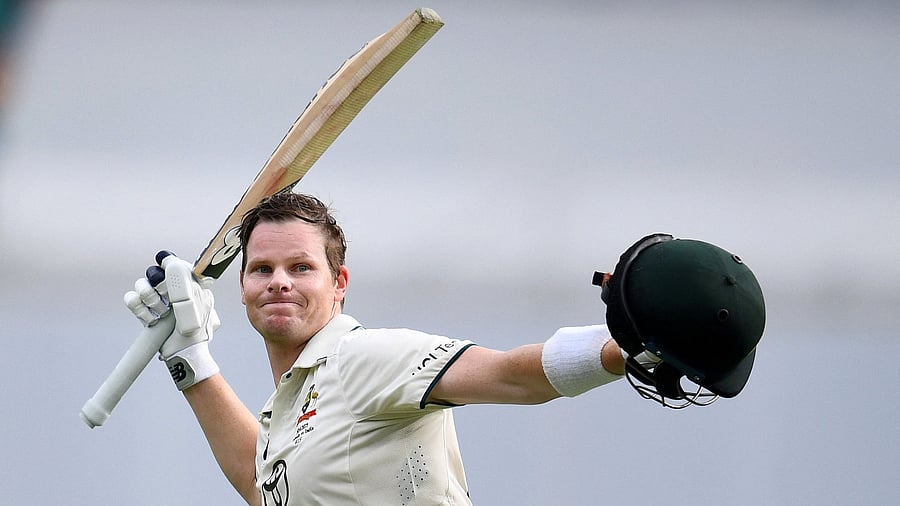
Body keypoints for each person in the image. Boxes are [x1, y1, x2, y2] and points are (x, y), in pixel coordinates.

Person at [125, 192, 764, 505]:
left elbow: (515, 376)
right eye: (262, 269)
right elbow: (266, 483)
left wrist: (624, 349)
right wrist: (189, 358)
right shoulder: (294, 408)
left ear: (340, 284)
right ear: (240, 289)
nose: (280, 281)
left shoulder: (364, 359)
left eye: (302, 266)